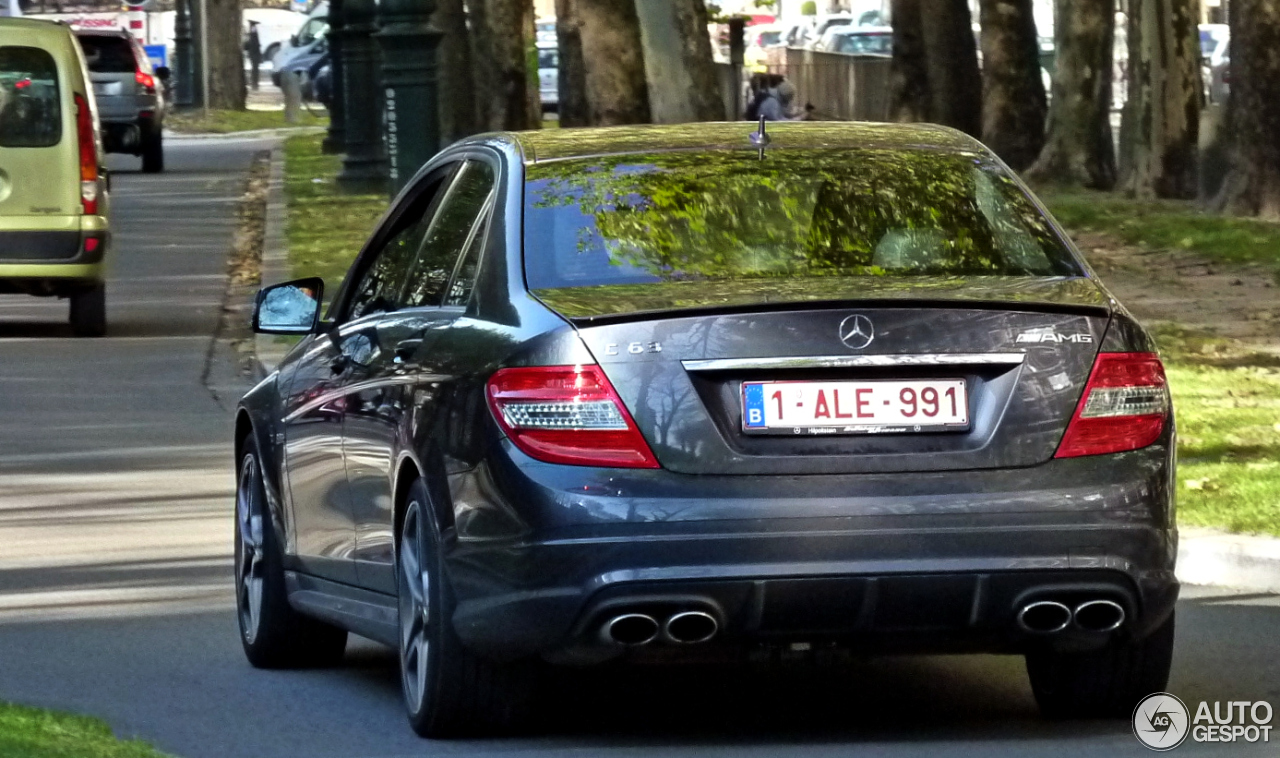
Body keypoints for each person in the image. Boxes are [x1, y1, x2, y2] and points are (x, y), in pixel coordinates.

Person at [244, 21, 261, 91]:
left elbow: (249, 44)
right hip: (255, 54)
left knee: (254, 69)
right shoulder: (254, 34)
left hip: (253, 54)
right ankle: (255, 84)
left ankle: (254, 84)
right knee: (255, 69)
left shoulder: (252, 34)